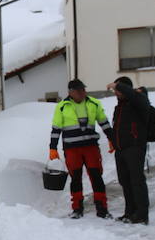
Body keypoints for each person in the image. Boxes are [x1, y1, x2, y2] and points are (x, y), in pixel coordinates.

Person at [49, 79, 115, 218]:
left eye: (83, 90)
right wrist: (53, 148)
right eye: (79, 91)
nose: (82, 93)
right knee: (76, 178)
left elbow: (104, 123)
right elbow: (56, 129)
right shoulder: (62, 106)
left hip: (91, 148)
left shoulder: (94, 103)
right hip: (72, 150)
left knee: (96, 177)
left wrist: (112, 138)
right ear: (71, 92)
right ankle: (77, 209)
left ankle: (102, 209)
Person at [107, 76, 150, 224]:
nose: (115, 92)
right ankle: (130, 212)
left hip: (135, 147)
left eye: (117, 89)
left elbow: (133, 95)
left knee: (137, 181)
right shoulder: (120, 106)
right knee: (125, 181)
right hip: (121, 149)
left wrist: (118, 86)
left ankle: (142, 214)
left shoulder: (138, 102)